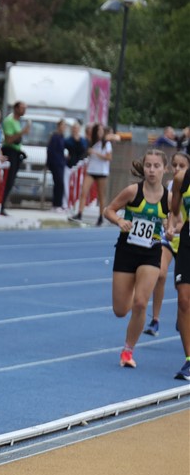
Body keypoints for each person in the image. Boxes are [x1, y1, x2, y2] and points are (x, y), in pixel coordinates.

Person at [101, 148, 170, 369]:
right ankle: (131, 290)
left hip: (151, 252)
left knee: (141, 303)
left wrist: (170, 229)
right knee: (120, 310)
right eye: (148, 165)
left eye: (156, 166)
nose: (152, 170)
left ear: (164, 169)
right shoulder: (133, 191)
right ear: (144, 167)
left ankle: (128, 350)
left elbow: (175, 222)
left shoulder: (169, 198)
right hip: (127, 250)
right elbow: (108, 210)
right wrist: (119, 221)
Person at [146, 150, 190, 337]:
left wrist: (178, 227)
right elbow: (169, 212)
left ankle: (183, 315)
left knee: (183, 291)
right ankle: (155, 320)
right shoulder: (171, 185)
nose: (177, 168)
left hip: (185, 238)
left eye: (182, 165)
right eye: (175, 165)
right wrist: (167, 225)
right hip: (170, 239)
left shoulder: (186, 183)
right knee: (161, 274)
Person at [165, 157, 190, 380]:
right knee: (183, 300)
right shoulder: (182, 178)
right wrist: (173, 225)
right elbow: (174, 208)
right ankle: (189, 359)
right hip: (187, 242)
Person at [71, 123, 111, 226]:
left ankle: (101, 217)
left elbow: (108, 157)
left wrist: (96, 153)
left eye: (101, 131)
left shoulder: (106, 143)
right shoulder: (91, 142)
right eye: (98, 130)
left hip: (102, 172)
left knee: (101, 195)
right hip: (91, 171)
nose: (100, 132)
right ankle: (79, 213)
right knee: (84, 191)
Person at [0, 101, 30, 215]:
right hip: (10, 151)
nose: (24, 110)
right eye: (22, 108)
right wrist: (22, 132)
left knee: (11, 180)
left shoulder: (18, 121)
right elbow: (8, 139)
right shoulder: (9, 121)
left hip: (16, 152)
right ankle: (0, 205)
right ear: (16, 108)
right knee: (8, 180)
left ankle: (3, 204)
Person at [46, 119, 68, 212]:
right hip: (56, 163)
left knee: (60, 184)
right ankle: (56, 204)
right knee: (59, 183)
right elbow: (51, 151)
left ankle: (58, 204)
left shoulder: (62, 137)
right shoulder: (55, 137)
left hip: (61, 163)